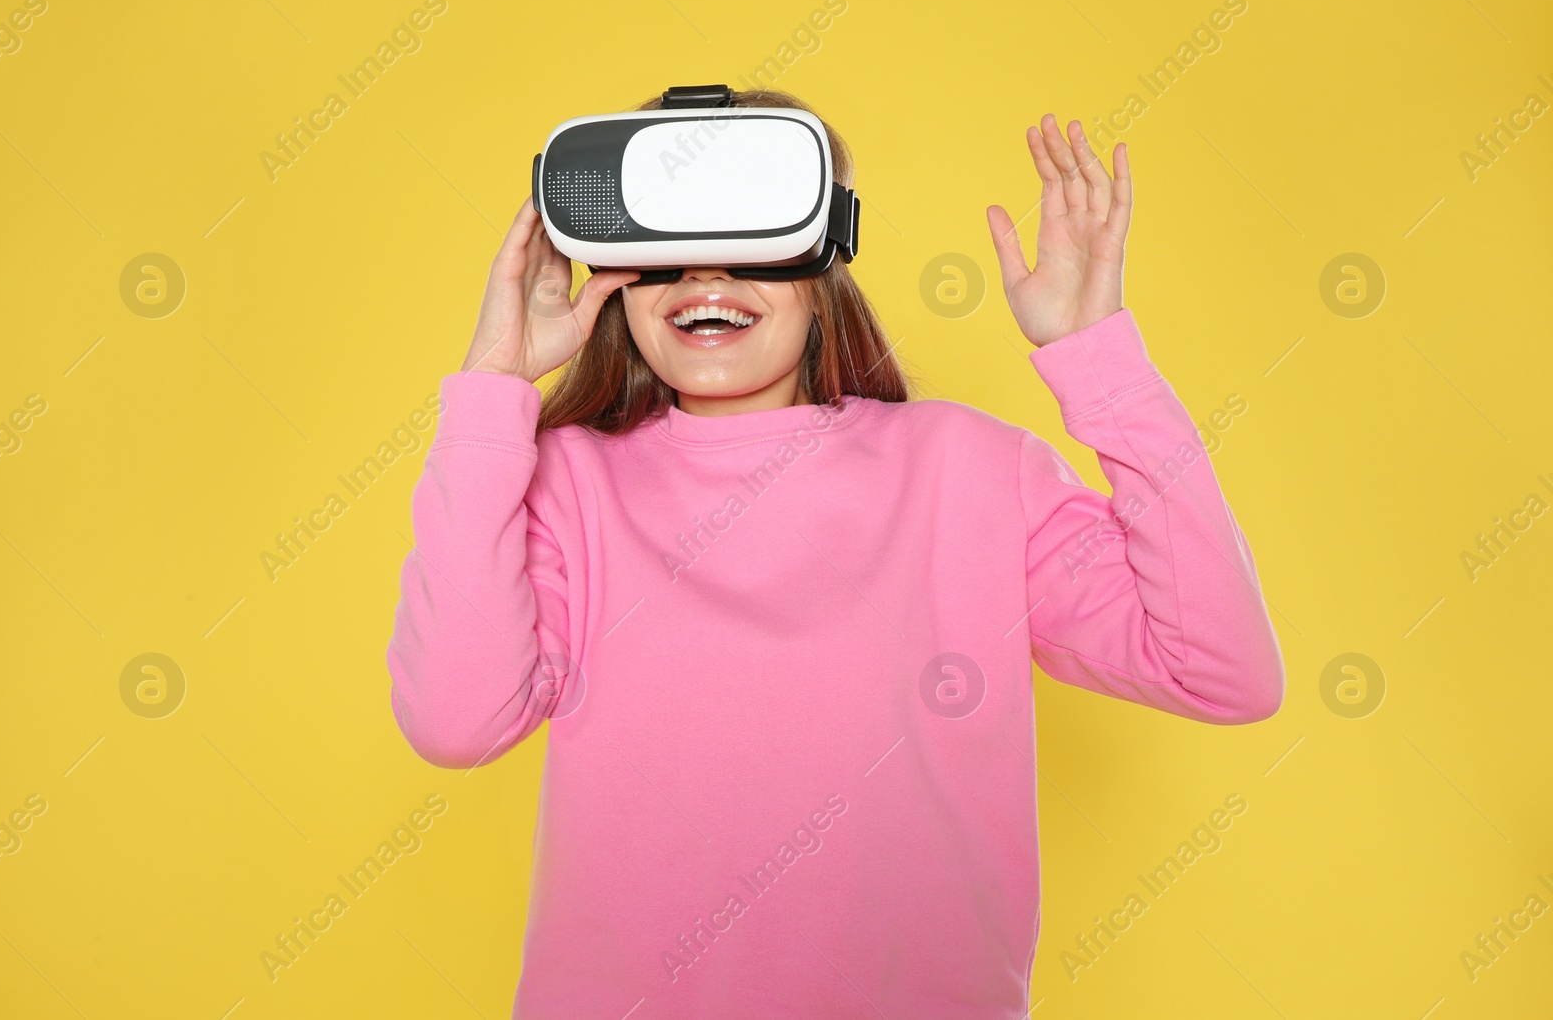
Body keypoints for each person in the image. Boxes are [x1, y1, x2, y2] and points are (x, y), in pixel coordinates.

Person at [385, 87, 1285, 1018]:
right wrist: (492, 389)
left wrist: (1101, 358)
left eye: (756, 239)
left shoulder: (971, 468)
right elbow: (456, 722)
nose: (707, 276)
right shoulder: (564, 484)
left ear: (827, 262)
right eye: (667, 250)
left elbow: (1223, 671)